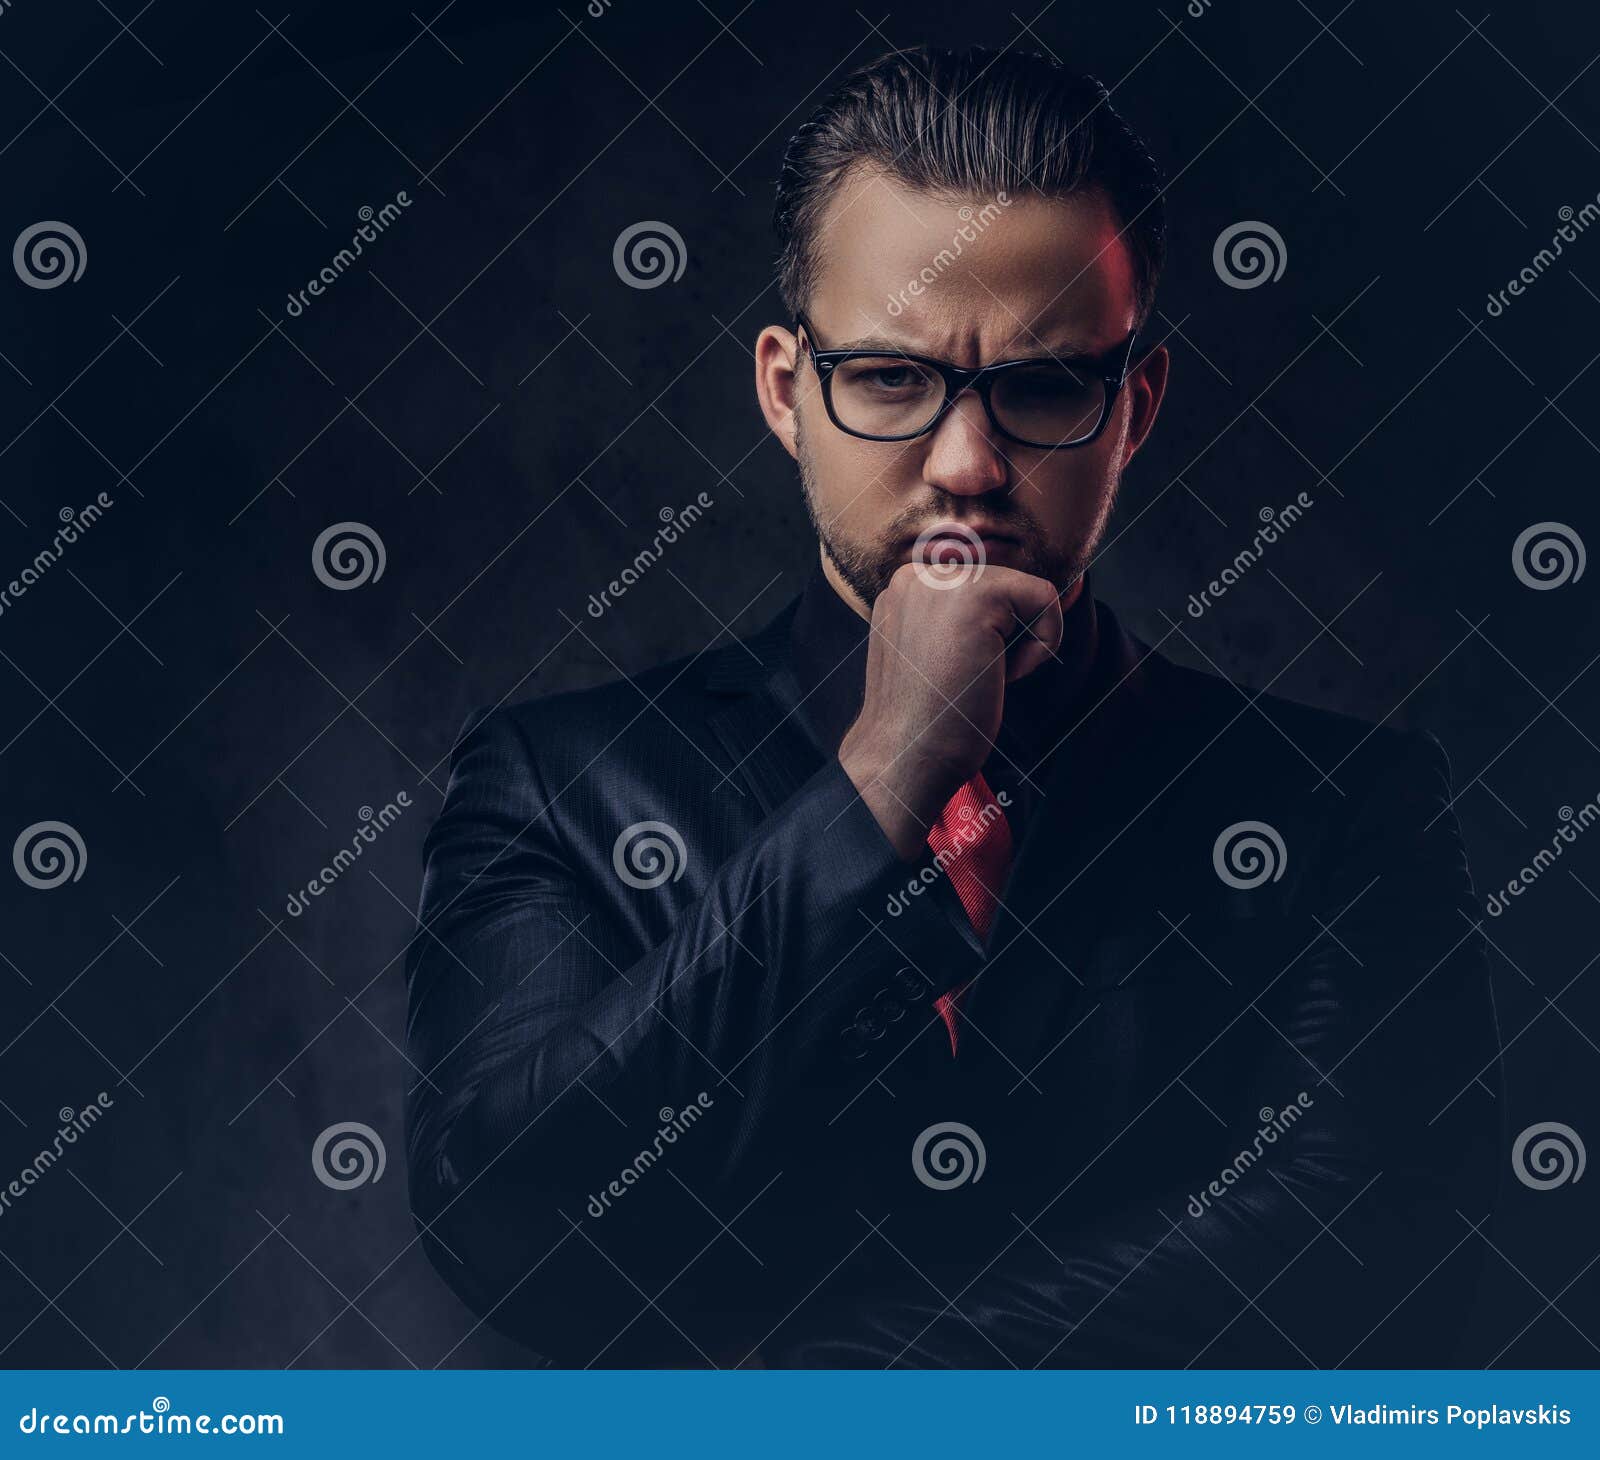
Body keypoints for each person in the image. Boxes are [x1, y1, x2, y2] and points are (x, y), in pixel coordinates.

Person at [404, 44, 1503, 1368]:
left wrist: (820, 1388)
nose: (969, 463)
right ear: (785, 394)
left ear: (1132, 407)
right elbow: (509, 1221)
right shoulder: (559, 787)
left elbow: (1375, 1244)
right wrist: (877, 787)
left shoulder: (1340, 810)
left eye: (1041, 386)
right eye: (889, 379)